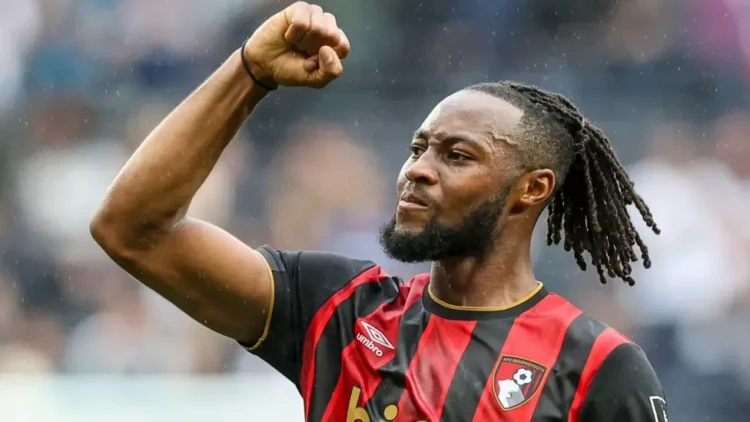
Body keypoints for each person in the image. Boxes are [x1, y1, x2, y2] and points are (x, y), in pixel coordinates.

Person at [90, 2, 668, 421]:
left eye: (456, 155)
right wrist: (250, 73)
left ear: (531, 189)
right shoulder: (339, 310)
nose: (417, 169)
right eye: (417, 148)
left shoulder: (596, 365)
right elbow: (131, 230)